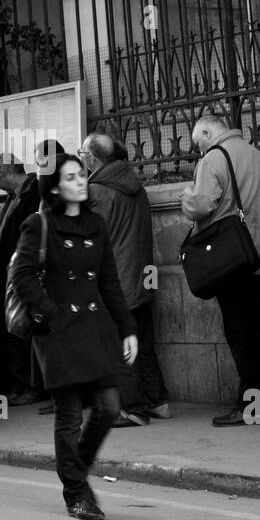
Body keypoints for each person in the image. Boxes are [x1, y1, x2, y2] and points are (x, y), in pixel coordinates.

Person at [9, 153, 138, 520]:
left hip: (94, 329)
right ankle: (76, 493)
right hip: (59, 333)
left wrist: (128, 328)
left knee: (109, 406)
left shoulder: (96, 224)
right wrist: (52, 313)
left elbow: (109, 282)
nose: (80, 182)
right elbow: (23, 277)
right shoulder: (38, 224)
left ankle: (74, 470)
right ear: (55, 187)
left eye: (82, 175)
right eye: (70, 178)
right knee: (68, 416)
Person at [180, 113, 260, 426]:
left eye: (199, 141)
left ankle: (253, 404)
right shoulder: (258, 157)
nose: (199, 149)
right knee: (252, 331)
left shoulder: (213, 158)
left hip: (232, 258)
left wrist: (186, 197)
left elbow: (202, 205)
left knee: (239, 333)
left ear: (208, 132)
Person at [82, 132, 169, 426]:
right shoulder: (134, 184)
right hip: (143, 274)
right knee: (143, 340)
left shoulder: (97, 190)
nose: (81, 159)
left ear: (93, 158)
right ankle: (158, 401)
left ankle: (134, 409)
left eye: (83, 155)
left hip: (117, 279)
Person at [0, 154, 44, 404]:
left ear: (11, 173)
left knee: (23, 329)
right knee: (16, 328)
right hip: (12, 272)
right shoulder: (13, 196)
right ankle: (24, 385)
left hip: (25, 271)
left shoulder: (32, 193)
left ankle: (30, 387)